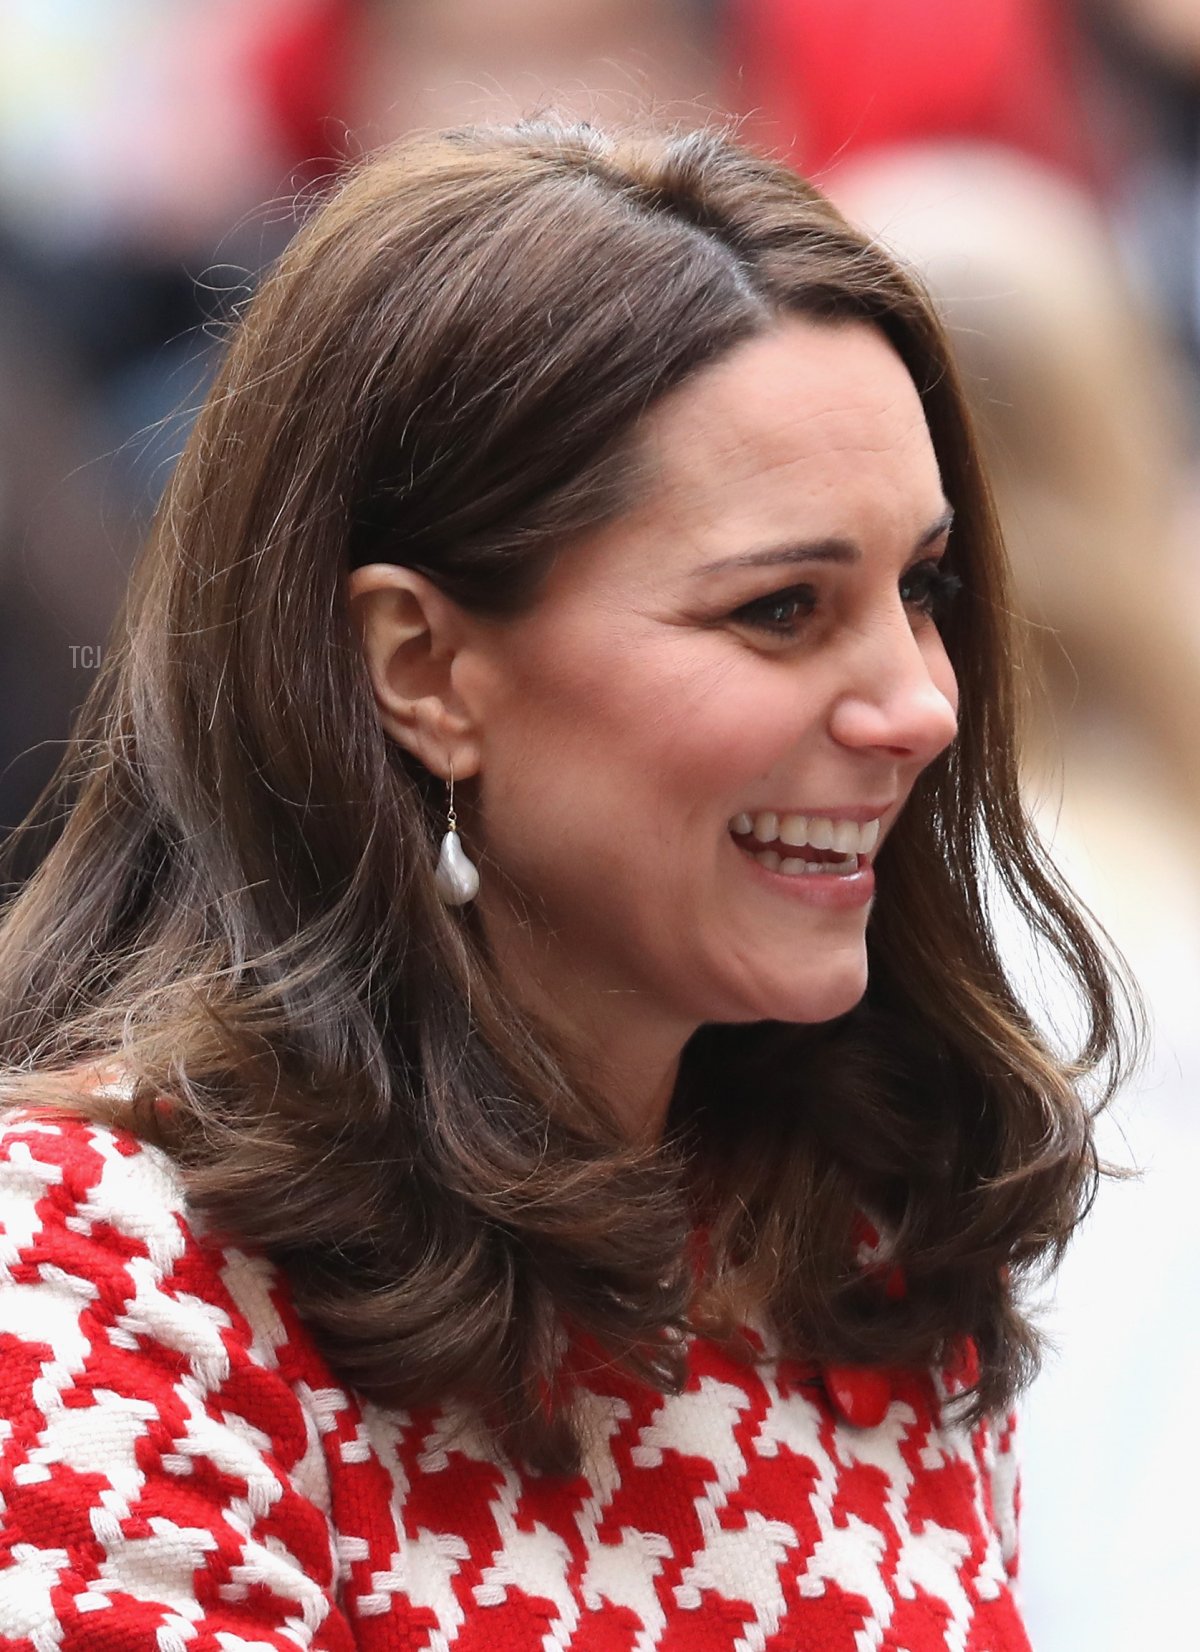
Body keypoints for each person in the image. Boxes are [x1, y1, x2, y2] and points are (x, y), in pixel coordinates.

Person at [0, 119, 1135, 1650]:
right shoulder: (101, 1276)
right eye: (783, 608)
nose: (920, 705)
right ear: (421, 668)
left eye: (920, 588)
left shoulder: (859, 1243)